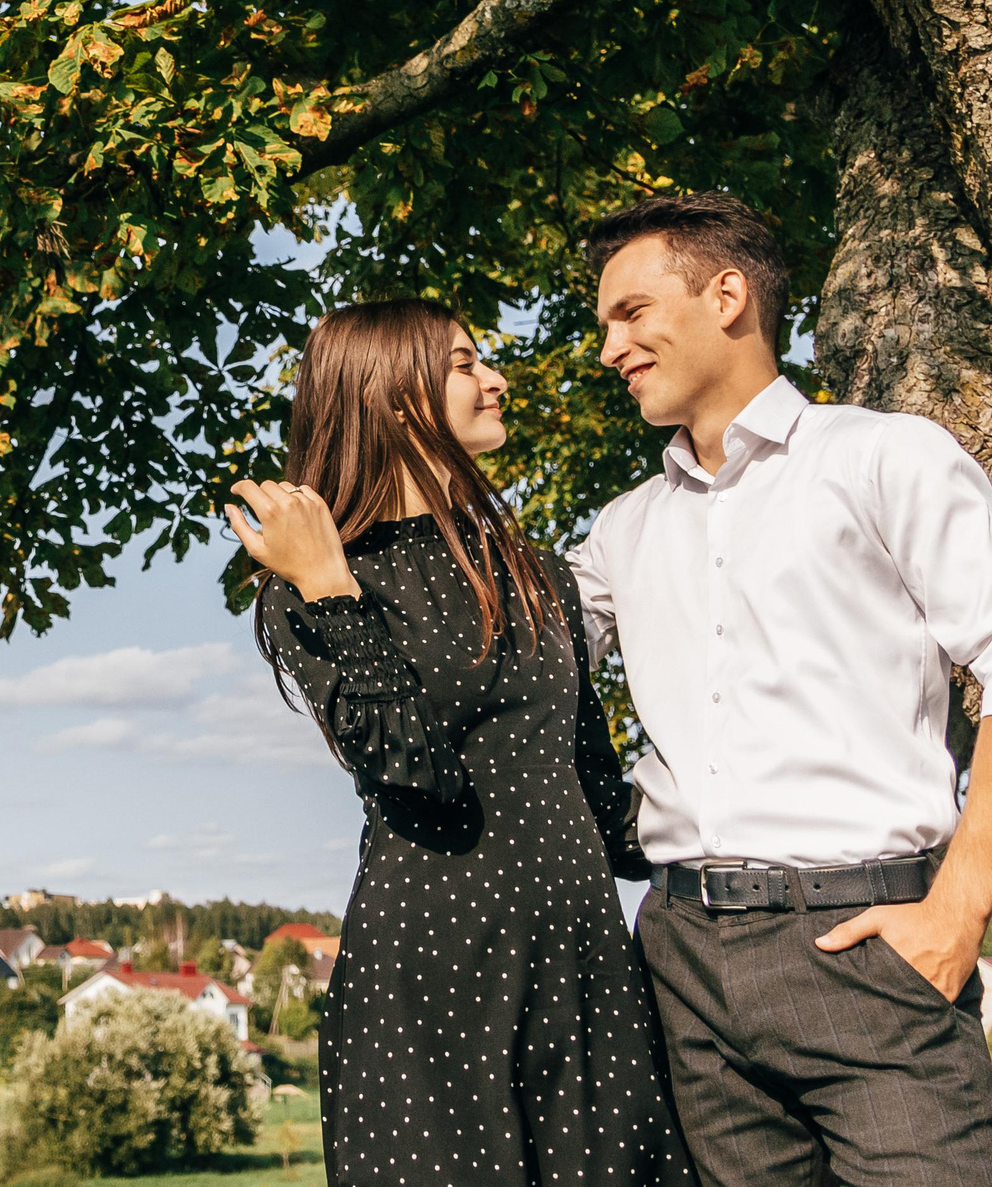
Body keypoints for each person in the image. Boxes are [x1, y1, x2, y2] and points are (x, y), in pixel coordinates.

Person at [573, 191, 992, 1186]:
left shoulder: (882, 459)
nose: (609, 347)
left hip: (865, 949)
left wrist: (958, 912)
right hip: (681, 963)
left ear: (726, 295)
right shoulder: (619, 531)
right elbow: (500, 660)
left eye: (629, 313)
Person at [227, 300, 694, 1187]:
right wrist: (330, 588)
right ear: (395, 395)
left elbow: (601, 793)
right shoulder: (319, 588)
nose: (496, 379)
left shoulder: (535, 569)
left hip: (585, 966)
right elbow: (418, 778)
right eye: (466, 363)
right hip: (436, 975)